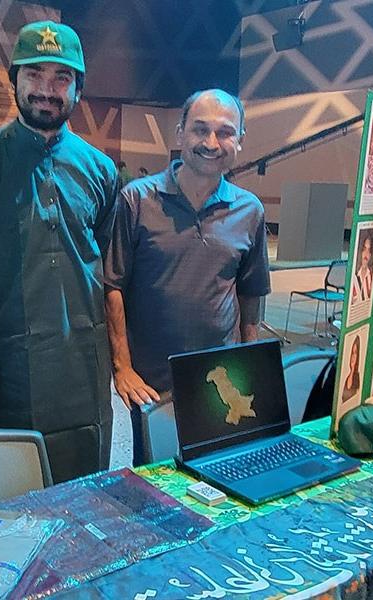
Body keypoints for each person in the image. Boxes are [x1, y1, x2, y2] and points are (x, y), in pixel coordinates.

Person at [0, 21, 119, 483]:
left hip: (84, 366)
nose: (47, 89)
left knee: (86, 490)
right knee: (13, 495)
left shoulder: (100, 169)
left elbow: (103, 268)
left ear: (78, 88)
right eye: (34, 75)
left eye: (62, 77)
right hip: (6, 367)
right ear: (14, 81)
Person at [104, 89, 271, 465]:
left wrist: (251, 362)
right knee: (158, 484)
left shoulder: (251, 211)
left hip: (221, 379)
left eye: (225, 132)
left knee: (221, 476)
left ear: (240, 141)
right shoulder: (136, 200)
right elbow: (112, 286)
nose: (211, 143)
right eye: (200, 130)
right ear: (179, 134)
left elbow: (250, 292)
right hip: (152, 384)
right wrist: (123, 368)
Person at [351, 235, 373, 302]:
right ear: (361, 252)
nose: (366, 254)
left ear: (370, 255)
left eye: (368, 250)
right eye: (364, 249)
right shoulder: (354, 274)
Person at [341, 335, 362, 402]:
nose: (353, 357)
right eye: (352, 353)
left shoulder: (358, 377)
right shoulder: (346, 377)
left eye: (355, 353)